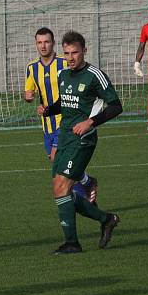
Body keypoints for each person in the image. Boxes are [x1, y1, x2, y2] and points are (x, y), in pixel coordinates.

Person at [38, 31, 121, 254]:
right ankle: (106, 219)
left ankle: (72, 243)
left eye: (75, 52)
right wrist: (48, 110)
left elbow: (116, 106)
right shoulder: (64, 75)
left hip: (83, 140)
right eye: (66, 53)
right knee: (61, 191)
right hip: (64, 138)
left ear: (84, 50)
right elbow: (64, 104)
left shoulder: (95, 75)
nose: (71, 57)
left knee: (62, 187)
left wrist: (90, 122)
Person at [25, 27, 98, 203]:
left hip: (65, 122)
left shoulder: (64, 63)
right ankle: (87, 184)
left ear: (53, 43)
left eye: (47, 42)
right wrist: (29, 97)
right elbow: (29, 91)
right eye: (39, 42)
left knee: (60, 162)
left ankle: (78, 198)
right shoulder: (32, 68)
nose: (43, 46)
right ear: (36, 44)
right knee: (55, 161)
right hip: (47, 124)